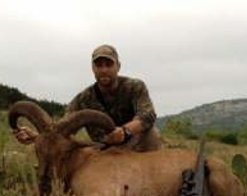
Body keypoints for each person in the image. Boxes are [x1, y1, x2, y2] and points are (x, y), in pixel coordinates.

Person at [14, 44, 162, 152]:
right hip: (102, 150)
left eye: (109, 64)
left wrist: (124, 132)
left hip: (134, 144)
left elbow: (147, 115)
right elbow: (60, 130)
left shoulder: (135, 86)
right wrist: (35, 136)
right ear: (93, 68)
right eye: (99, 65)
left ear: (118, 66)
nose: (104, 70)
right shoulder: (83, 99)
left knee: (152, 134)